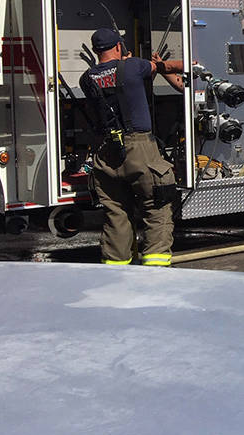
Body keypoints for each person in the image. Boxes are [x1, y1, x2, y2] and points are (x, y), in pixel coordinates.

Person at [79, 28, 185, 266]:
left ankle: (116, 270)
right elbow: (166, 67)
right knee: (157, 207)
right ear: (118, 46)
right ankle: (155, 269)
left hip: (107, 153)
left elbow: (108, 81)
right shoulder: (134, 67)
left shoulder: (86, 79)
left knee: (116, 214)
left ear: (96, 51)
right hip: (139, 148)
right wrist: (160, 63)